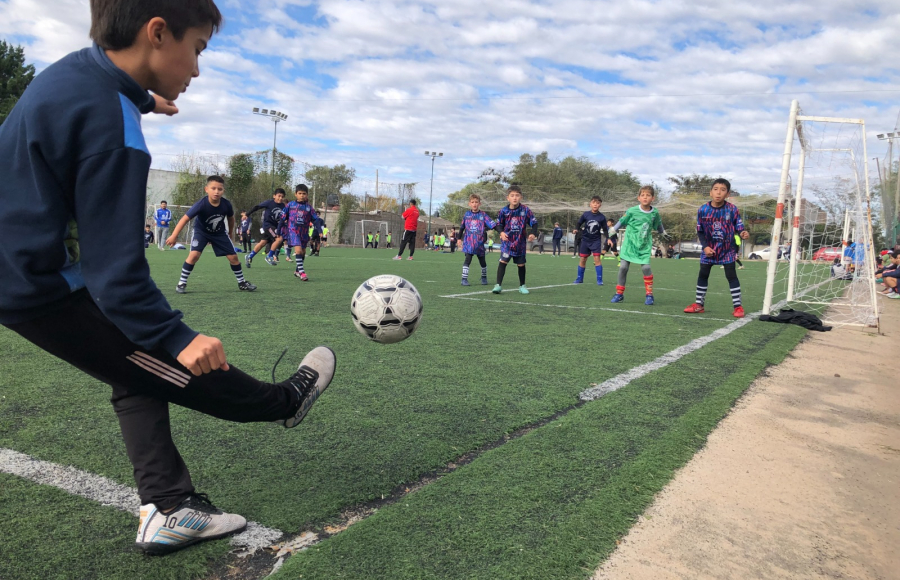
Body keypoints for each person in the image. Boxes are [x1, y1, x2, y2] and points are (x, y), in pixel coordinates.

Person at [0, 0, 336, 556]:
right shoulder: (114, 125)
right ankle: (284, 402)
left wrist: (139, 95)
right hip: (32, 285)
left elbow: (93, 94)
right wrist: (180, 339)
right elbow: (117, 277)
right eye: (197, 49)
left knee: (130, 366)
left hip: (23, 269)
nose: (198, 70)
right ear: (158, 33)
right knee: (157, 358)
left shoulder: (73, 73)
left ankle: (167, 505)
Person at [166, 176, 257, 294]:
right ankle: (181, 283)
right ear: (206, 189)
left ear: (223, 191)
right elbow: (185, 219)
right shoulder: (201, 205)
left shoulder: (226, 205)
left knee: (233, 258)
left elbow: (231, 219)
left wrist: (230, 233)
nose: (216, 191)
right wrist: (174, 235)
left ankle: (242, 283)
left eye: (220, 189)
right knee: (194, 255)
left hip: (219, 233)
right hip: (201, 232)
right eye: (213, 188)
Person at [684, 178, 749, 318]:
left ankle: (738, 307)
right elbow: (700, 231)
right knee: (703, 274)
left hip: (727, 250)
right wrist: (705, 247)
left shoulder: (732, 209)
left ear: (727, 194)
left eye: (723, 190)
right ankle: (699, 305)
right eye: (716, 189)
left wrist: (743, 233)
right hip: (709, 250)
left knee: (731, 276)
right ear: (710, 192)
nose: (719, 192)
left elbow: (739, 228)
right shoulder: (703, 209)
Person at [607, 186, 665, 305]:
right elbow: (622, 221)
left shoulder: (654, 212)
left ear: (652, 198)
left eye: (648, 195)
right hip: (629, 244)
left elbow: (658, 224)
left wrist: (663, 232)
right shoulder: (632, 211)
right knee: (623, 267)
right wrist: (613, 230)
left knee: (646, 268)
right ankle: (619, 294)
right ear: (638, 198)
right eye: (643, 195)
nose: (645, 197)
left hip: (644, 244)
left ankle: (649, 295)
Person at [492, 185, 538, 294]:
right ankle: (498, 285)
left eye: (517, 195)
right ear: (508, 198)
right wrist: (501, 232)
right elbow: (498, 224)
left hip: (520, 243)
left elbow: (534, 223)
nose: (514, 198)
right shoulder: (503, 211)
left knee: (521, 264)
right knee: (503, 261)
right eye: (512, 195)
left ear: (521, 197)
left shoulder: (525, 210)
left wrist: (532, 233)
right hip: (507, 243)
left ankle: (522, 286)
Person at [280, 184, 319, 280]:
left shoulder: (309, 207)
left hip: (304, 232)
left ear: (307, 195)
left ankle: (297, 270)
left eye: (304, 193)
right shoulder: (290, 205)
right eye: (300, 193)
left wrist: (320, 230)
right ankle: (302, 273)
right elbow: (282, 218)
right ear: (295, 194)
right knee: (298, 250)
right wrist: (278, 230)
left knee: (303, 251)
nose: (302, 195)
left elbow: (316, 220)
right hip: (293, 230)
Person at [457, 193, 497, 286]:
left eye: (476, 202)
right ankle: (464, 279)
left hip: (479, 243)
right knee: (467, 260)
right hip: (468, 243)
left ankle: (484, 277)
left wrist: (501, 230)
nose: (474, 204)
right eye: (472, 202)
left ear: (480, 203)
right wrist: (459, 238)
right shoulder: (466, 215)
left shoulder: (483, 215)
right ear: (469, 204)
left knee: (482, 261)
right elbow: (462, 227)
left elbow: (493, 225)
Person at [573, 196, 609, 285]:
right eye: (594, 203)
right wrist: (576, 229)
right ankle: (579, 278)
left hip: (596, 241)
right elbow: (579, 223)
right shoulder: (586, 214)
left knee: (597, 258)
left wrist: (608, 238)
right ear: (590, 204)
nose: (595, 205)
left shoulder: (602, 217)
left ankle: (599, 280)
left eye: (597, 203)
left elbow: (605, 229)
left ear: (600, 205)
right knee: (583, 259)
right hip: (585, 240)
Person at [244, 189, 286, 267]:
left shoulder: (283, 206)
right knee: (279, 239)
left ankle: (249, 256)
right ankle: (269, 256)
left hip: (275, 227)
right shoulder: (269, 203)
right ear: (274, 196)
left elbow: (284, 217)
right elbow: (257, 207)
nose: (280, 198)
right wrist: (247, 214)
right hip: (268, 226)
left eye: (282, 197)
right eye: (279, 196)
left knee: (263, 243)